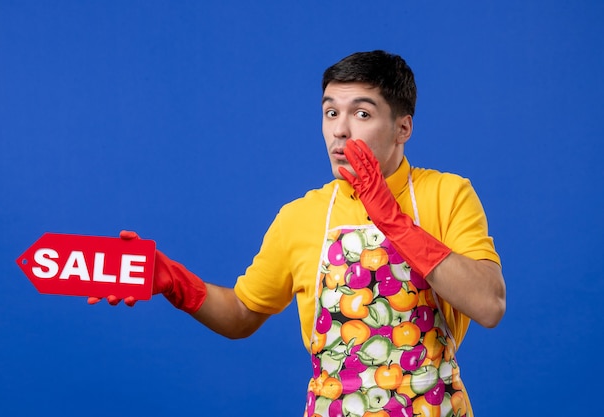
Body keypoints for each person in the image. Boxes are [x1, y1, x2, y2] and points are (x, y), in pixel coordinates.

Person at [90, 50, 506, 417]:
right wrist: (175, 284)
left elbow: (489, 305)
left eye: (362, 114)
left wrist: (392, 219)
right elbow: (241, 314)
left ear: (403, 128)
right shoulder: (300, 216)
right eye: (330, 112)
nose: (340, 130)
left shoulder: (448, 194)